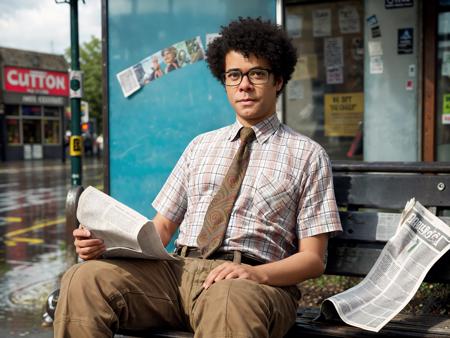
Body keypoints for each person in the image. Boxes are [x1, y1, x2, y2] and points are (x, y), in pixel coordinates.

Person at [54, 17, 342, 338]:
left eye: (257, 74)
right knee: (84, 279)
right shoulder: (200, 146)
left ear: (278, 81)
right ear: (225, 81)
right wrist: (105, 245)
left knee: (231, 298)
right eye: (234, 75)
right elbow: (160, 230)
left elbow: (313, 259)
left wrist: (255, 274)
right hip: (176, 273)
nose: (244, 85)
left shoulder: (307, 155)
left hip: (251, 282)